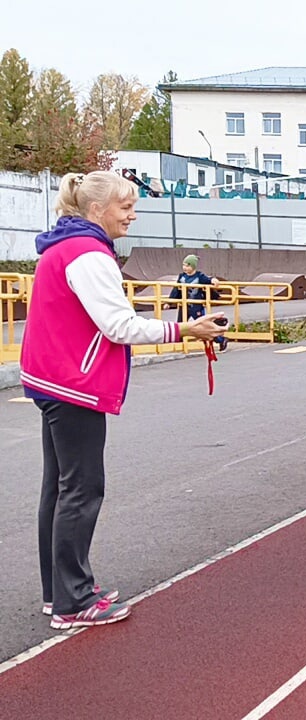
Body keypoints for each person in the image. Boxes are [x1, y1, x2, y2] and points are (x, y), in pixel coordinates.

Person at [21, 171, 226, 629]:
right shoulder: (88, 255)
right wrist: (185, 329)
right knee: (81, 488)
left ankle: (61, 592)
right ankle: (73, 601)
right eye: (125, 207)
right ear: (97, 210)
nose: (132, 215)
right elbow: (119, 326)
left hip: (53, 380)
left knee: (59, 487)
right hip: (73, 384)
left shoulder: (62, 247)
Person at [169, 254, 227, 351]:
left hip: (196, 306)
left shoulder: (199, 276)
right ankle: (179, 344)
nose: (185, 268)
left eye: (188, 265)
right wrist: (169, 302)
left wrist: (213, 280)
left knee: (204, 325)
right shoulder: (182, 277)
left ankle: (221, 340)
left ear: (193, 266)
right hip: (184, 305)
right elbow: (176, 290)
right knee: (180, 325)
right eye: (184, 265)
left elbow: (208, 280)